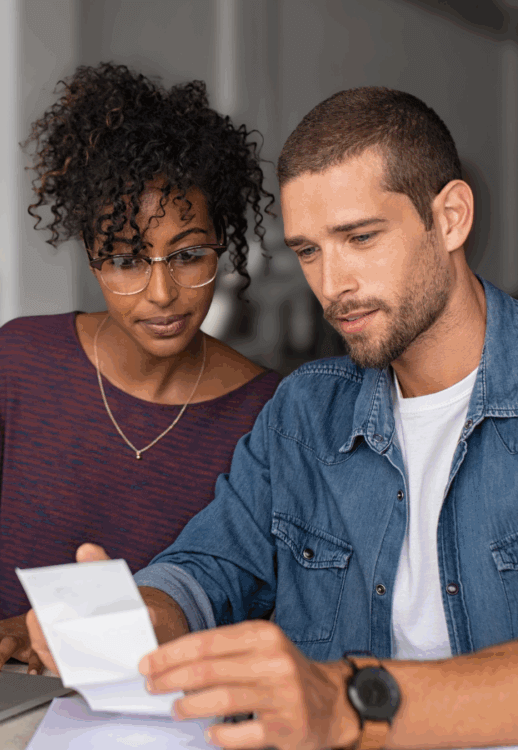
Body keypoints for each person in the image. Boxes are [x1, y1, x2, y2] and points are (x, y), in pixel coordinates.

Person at [28, 85, 518, 750]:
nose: (332, 284)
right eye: (308, 250)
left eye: (361, 237)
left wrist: (348, 703)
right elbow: (207, 570)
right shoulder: (304, 414)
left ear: (451, 217)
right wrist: (132, 621)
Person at [0, 63, 280, 676]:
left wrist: (54, 634)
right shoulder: (18, 362)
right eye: (125, 260)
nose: (160, 293)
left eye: (188, 255)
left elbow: (240, 609)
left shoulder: (269, 412)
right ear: (91, 258)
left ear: (222, 246)